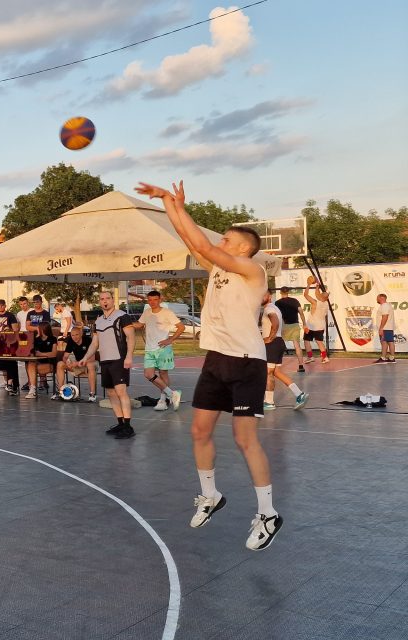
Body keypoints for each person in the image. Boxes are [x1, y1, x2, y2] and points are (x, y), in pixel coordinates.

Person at [138, 180, 282, 551]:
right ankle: (210, 495)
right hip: (216, 360)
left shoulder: (253, 272)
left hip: (247, 363)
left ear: (243, 249)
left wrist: (176, 205)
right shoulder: (219, 270)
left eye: (226, 241)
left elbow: (201, 243)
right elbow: (191, 242)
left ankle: (268, 514)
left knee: (243, 439)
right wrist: (171, 205)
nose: (220, 244)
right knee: (199, 432)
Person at [81, 291, 136, 439]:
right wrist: (86, 357)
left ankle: (128, 426)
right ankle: (120, 423)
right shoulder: (98, 321)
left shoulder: (122, 316)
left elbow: (131, 337)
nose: (105, 301)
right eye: (102, 299)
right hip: (105, 361)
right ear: (99, 302)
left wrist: (129, 357)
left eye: (108, 298)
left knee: (121, 392)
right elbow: (95, 343)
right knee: (111, 393)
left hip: (119, 359)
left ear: (113, 300)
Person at [134, 290, 185, 411]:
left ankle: (163, 400)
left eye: (155, 299)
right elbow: (139, 325)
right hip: (149, 349)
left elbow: (181, 327)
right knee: (148, 374)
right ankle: (172, 394)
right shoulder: (146, 312)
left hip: (163, 349)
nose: (152, 302)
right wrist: (124, 323)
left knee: (163, 374)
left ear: (160, 299)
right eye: (150, 300)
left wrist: (170, 339)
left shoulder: (167, 312)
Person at [261, 294, 309, 410]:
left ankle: (269, 402)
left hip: (272, 344)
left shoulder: (269, 309)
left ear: (269, 296)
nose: (260, 297)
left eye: (263, 295)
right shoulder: (275, 307)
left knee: (268, 373)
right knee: (276, 372)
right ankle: (299, 394)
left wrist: (270, 338)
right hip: (278, 342)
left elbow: (276, 322)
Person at [55, 325, 97, 401]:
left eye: (77, 334)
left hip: (89, 363)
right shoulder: (71, 341)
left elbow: (92, 358)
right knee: (60, 364)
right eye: (72, 335)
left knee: (90, 365)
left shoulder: (88, 340)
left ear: (81, 334)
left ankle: (92, 394)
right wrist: (67, 362)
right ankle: (60, 392)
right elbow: (65, 356)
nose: (75, 337)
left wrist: (76, 363)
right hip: (78, 365)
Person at [0, 299, 20, 396]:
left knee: (11, 362)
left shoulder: (10, 315)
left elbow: (15, 330)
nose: (1, 307)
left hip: (10, 343)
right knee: (1, 362)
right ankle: (10, 384)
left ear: (5, 306)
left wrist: (8, 330)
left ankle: (12, 385)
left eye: (2, 305)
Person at [274, 288, 305, 372]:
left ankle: (275, 366)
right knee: (297, 346)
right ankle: (301, 366)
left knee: (278, 345)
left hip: (284, 325)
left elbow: (276, 316)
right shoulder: (294, 301)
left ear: (280, 292)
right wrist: (304, 324)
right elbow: (301, 312)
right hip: (294, 325)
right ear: (288, 292)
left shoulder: (277, 303)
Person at [24, 323, 58, 399]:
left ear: (43, 330)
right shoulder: (37, 339)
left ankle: (32, 388)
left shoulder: (53, 339)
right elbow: (33, 352)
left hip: (50, 363)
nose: (37, 330)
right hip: (39, 362)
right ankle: (32, 389)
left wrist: (41, 354)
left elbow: (54, 353)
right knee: (30, 364)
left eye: (38, 328)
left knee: (32, 368)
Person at [302, 278, 331, 364]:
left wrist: (308, 284)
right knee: (319, 342)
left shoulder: (315, 302)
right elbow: (319, 295)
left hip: (311, 326)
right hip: (320, 326)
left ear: (321, 297)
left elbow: (305, 295)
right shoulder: (326, 304)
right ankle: (325, 357)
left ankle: (310, 357)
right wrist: (317, 287)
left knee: (306, 341)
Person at [376, 293, 397, 363]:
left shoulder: (384, 306)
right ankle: (386, 357)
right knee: (386, 342)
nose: (377, 299)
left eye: (377, 298)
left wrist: (381, 328)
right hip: (387, 327)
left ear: (381, 298)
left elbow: (385, 317)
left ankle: (389, 358)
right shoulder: (387, 305)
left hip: (386, 328)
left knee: (388, 342)